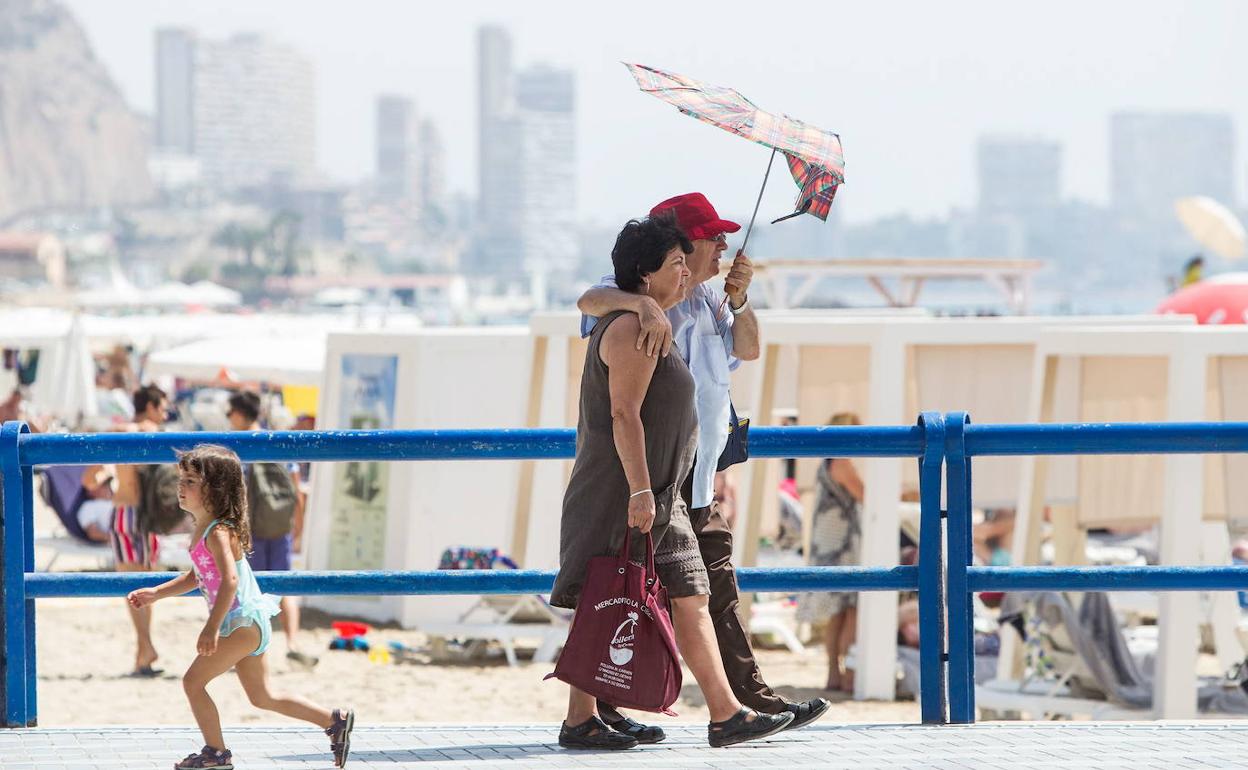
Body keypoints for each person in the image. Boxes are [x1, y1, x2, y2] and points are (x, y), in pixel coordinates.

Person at [577, 193, 830, 738]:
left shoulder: (709, 302)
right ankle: (706, 709)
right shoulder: (632, 297)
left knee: (693, 587)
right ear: (679, 250)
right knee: (639, 588)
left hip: (696, 469)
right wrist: (641, 304)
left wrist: (739, 301)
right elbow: (588, 301)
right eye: (712, 237)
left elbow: (750, 350)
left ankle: (735, 705)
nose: (724, 246)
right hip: (655, 475)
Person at [127, 444, 354, 769]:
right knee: (262, 697)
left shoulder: (218, 532)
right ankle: (334, 720)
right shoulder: (205, 530)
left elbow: (230, 581)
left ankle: (216, 753)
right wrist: (156, 593)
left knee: (192, 682)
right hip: (248, 624)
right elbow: (198, 576)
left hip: (242, 623)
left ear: (215, 490)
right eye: (182, 479)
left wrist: (211, 628)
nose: (181, 486)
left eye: (191, 481)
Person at [226, 390, 319, 668]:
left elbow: (235, 495)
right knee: (284, 585)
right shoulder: (276, 442)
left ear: (241, 415)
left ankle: (249, 650)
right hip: (280, 526)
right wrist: (297, 523)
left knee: (247, 590)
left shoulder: (238, 448)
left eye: (229, 414)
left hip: (250, 528)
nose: (229, 420)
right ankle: (292, 643)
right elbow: (296, 488)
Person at [89, 384, 169, 676]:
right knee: (147, 586)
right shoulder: (160, 436)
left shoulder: (121, 432)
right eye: (162, 406)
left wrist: (111, 475)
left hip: (124, 511)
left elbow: (88, 478)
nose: (165, 412)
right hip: (150, 516)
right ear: (149, 406)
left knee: (132, 586)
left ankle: (144, 649)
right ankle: (144, 649)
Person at [797, 412, 864, 693]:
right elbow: (865, 494)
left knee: (837, 614)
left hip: (828, 542)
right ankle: (848, 673)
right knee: (852, 610)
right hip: (842, 544)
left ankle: (834, 674)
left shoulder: (826, 463)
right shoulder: (842, 462)